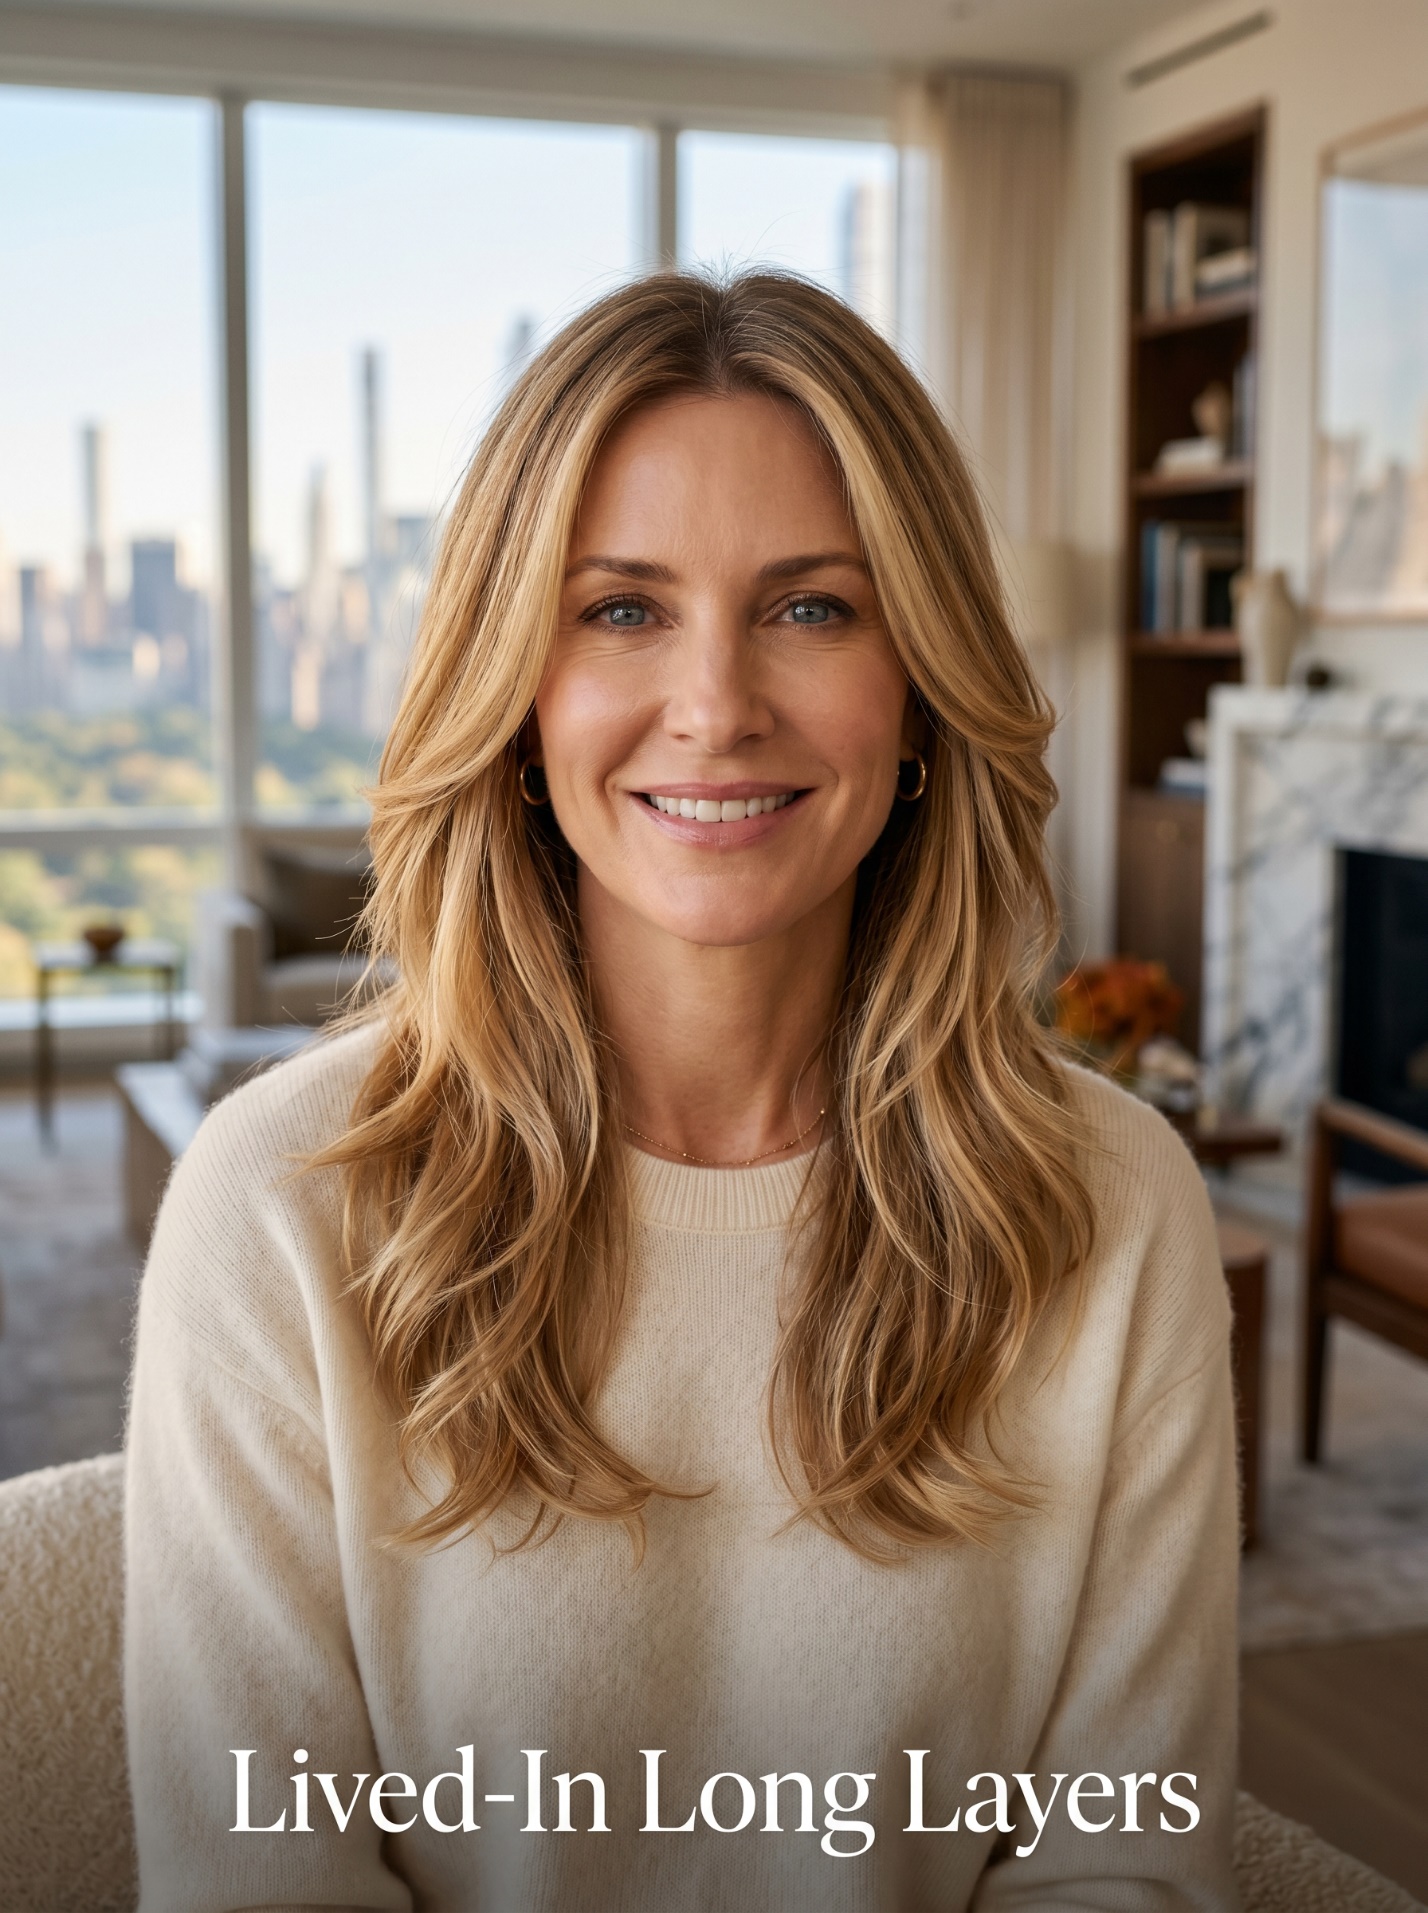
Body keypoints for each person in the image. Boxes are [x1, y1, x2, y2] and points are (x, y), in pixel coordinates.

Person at [125, 272, 1238, 1911]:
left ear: (920, 686)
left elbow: (1129, 1867)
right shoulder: (281, 1202)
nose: (716, 706)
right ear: (518, 694)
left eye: (811, 607)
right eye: (623, 608)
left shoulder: (1115, 1202)